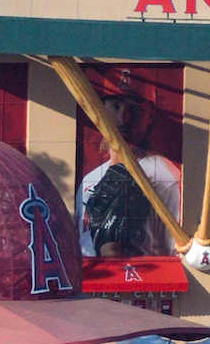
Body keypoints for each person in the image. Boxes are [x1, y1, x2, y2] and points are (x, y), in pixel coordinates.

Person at [77, 71, 186, 259]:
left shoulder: (163, 174)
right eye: (116, 106)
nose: (124, 119)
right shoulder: (91, 179)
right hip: (94, 280)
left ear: (149, 116)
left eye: (134, 110)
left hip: (145, 280)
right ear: (100, 111)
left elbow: (174, 251)